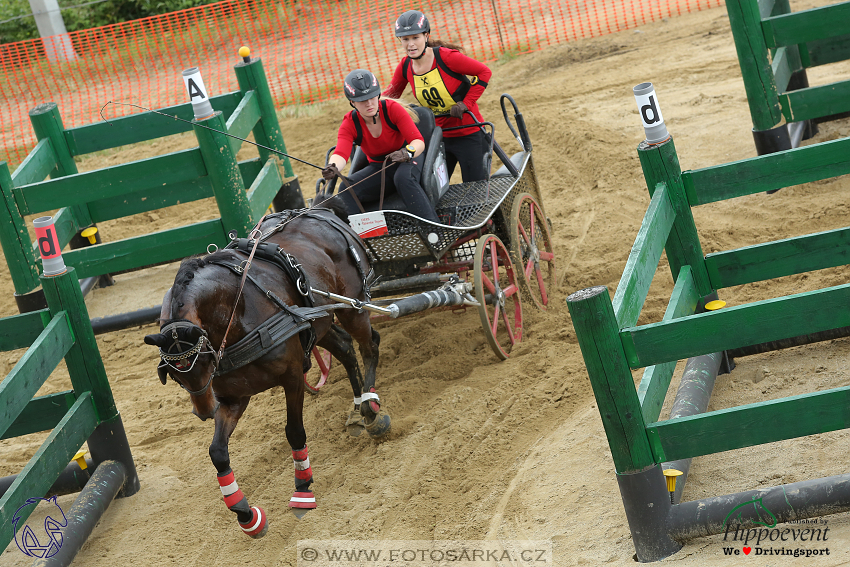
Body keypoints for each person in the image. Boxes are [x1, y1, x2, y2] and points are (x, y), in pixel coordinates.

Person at [383, 10, 493, 183]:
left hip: (469, 134)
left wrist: (466, 104)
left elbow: (483, 72)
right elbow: (387, 99)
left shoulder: (446, 57)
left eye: (415, 38)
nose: (410, 44)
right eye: (405, 39)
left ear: (426, 36)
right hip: (438, 137)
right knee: (432, 190)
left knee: (477, 193)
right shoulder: (405, 66)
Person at [322, 69, 440, 223]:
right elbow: (341, 153)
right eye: (362, 100)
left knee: (403, 178)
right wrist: (333, 166)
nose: (369, 103)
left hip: (408, 160)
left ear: (378, 95)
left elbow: (418, 141)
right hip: (380, 168)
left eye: (372, 97)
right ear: (352, 102)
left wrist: (407, 153)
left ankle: (433, 228)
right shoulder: (349, 123)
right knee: (346, 190)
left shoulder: (392, 109)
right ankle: (357, 241)